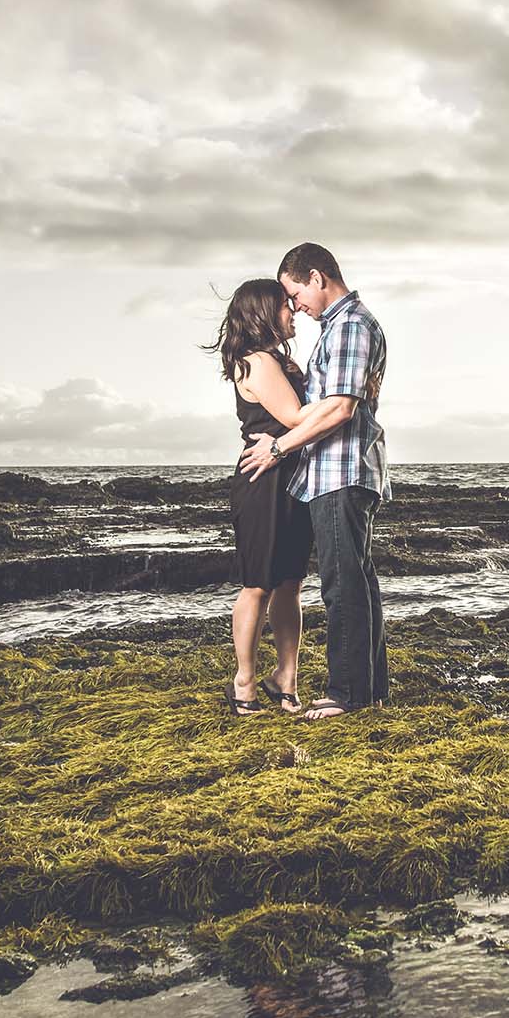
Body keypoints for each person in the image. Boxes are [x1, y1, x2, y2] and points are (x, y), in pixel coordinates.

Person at [239, 243, 389, 721]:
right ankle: (370, 688)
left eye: (295, 292)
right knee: (358, 580)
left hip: (340, 468)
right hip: (333, 469)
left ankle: (348, 693)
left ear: (318, 278)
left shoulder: (348, 325)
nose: (296, 305)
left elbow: (340, 408)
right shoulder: (340, 327)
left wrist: (279, 447)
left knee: (342, 583)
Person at [205, 278, 326, 717]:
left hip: (289, 474)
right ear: (262, 312)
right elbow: (294, 416)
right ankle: (244, 682)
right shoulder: (256, 360)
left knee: (290, 583)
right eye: (284, 306)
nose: (292, 311)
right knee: (258, 584)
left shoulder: (274, 359)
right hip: (263, 480)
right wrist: (345, 400)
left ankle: (286, 679)